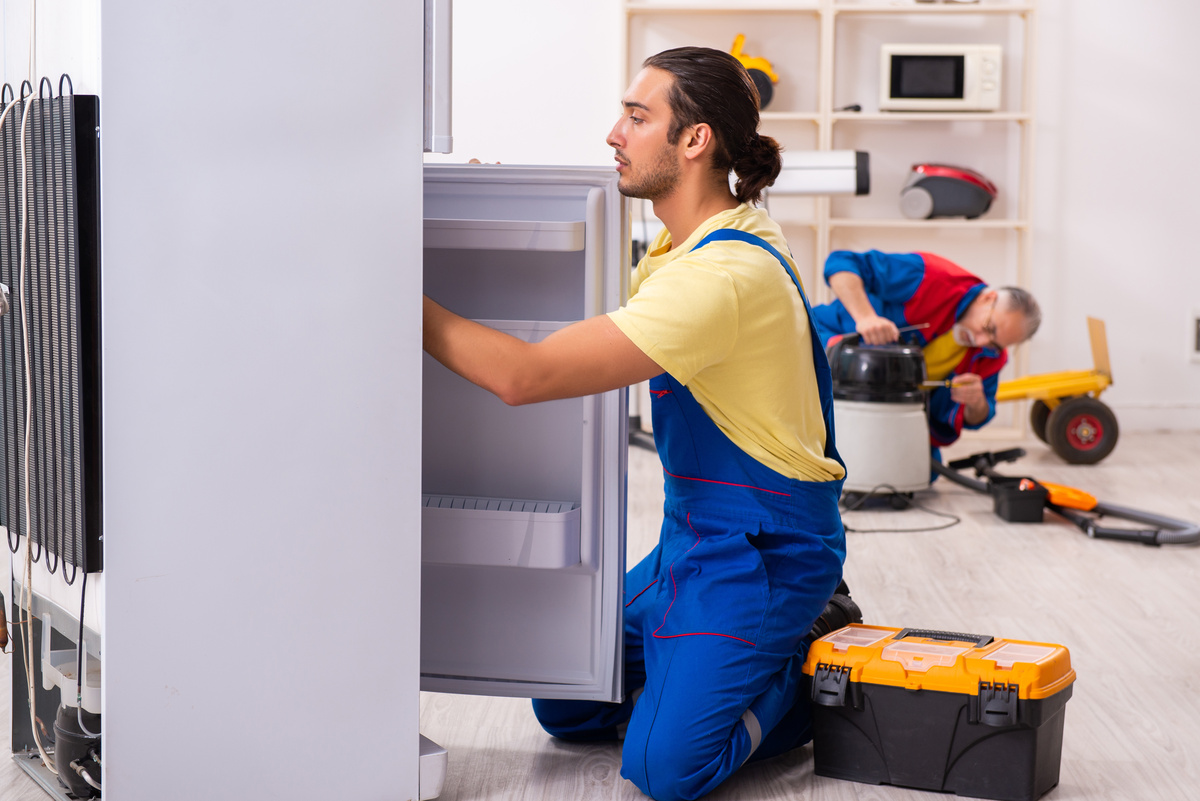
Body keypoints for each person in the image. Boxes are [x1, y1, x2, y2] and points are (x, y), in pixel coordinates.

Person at [423, 47, 847, 801]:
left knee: (665, 767)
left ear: (695, 141)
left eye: (637, 116)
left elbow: (526, 377)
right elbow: (589, 324)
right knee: (567, 696)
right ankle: (707, 662)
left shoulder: (721, 278)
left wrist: (393, 283)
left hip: (764, 550)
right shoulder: (688, 240)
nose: (614, 132)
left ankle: (805, 655)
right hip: (696, 536)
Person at [810, 250, 1041, 454]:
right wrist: (866, 317)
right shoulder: (932, 277)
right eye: (988, 328)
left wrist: (976, 402)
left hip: (891, 415)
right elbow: (840, 262)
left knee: (917, 470)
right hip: (830, 346)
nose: (980, 342)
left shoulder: (992, 355)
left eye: (995, 343)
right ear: (987, 298)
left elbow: (978, 417)